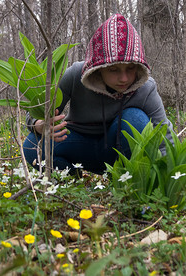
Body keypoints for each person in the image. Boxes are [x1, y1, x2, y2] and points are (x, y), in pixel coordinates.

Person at [23, 13, 174, 175]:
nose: (124, 78)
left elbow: (164, 135)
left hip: (118, 151)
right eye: (113, 69)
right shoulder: (75, 75)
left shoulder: (145, 87)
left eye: (130, 68)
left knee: (135, 119)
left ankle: (124, 178)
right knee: (32, 146)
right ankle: (71, 182)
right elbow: (36, 110)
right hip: (78, 144)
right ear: (99, 68)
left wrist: (180, 180)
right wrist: (38, 124)